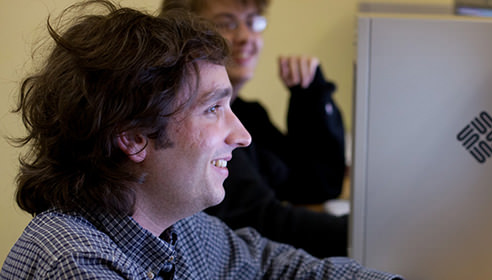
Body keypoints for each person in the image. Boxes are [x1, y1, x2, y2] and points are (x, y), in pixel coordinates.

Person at [0, 1, 400, 279]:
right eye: (213, 109)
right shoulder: (76, 262)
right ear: (134, 137)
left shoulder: (180, 227)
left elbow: (273, 265)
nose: (241, 136)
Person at [161, 0, 349, 258]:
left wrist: (310, 96)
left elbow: (315, 185)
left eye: (252, 22)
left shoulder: (250, 115)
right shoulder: (190, 127)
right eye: (226, 23)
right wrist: (368, 230)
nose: (246, 37)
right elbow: (264, 223)